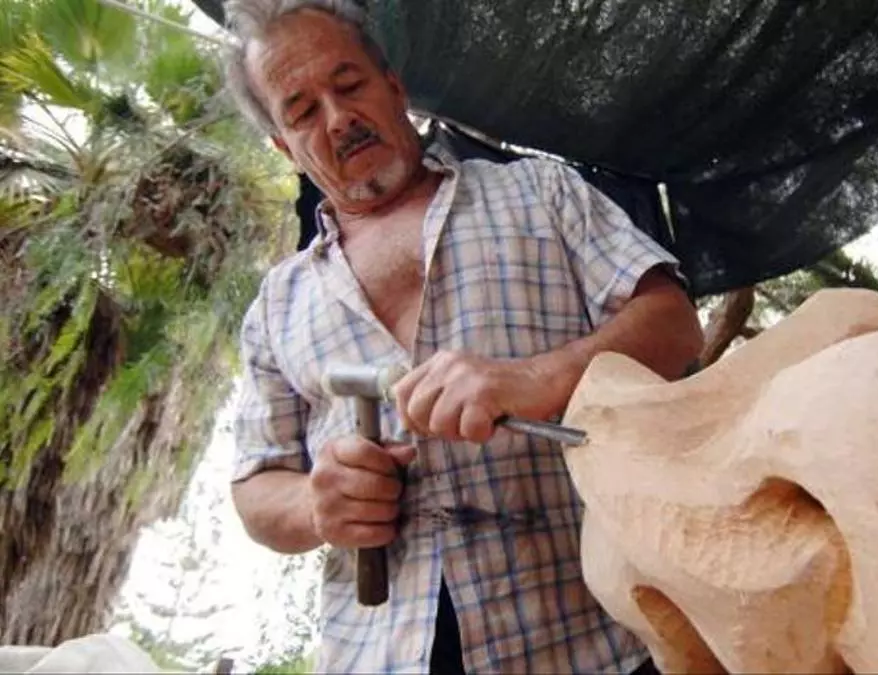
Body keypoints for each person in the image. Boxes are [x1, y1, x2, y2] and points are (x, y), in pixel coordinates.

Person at [218, 0, 705, 672]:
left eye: (350, 84)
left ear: (394, 87)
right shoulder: (278, 303)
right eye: (302, 112)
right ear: (284, 147)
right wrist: (314, 504)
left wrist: (537, 379)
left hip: (593, 641)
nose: (338, 118)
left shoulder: (539, 191)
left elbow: (674, 324)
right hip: (379, 655)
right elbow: (256, 487)